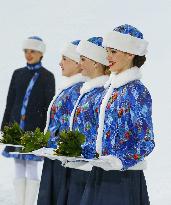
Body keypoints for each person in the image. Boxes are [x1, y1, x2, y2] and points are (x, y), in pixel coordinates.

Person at [80, 24, 155, 205]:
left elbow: (146, 141)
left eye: (113, 52)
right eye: (107, 51)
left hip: (122, 179)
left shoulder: (137, 91)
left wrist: (119, 161)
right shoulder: (107, 92)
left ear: (130, 53)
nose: (108, 57)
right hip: (99, 173)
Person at [1, 36, 55, 205]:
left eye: (32, 51)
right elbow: (10, 102)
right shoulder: (18, 74)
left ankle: (29, 203)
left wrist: (47, 132)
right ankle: (19, 202)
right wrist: (4, 126)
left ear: (41, 53)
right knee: (18, 164)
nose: (28, 54)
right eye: (26, 51)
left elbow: (48, 106)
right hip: (16, 127)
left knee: (31, 166)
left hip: (34, 128)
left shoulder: (47, 76)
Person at [37, 40, 87, 205]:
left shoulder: (78, 91)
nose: (60, 63)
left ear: (79, 63)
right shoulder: (69, 89)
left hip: (64, 161)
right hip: (54, 156)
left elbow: (72, 128)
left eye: (65, 59)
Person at [64, 36, 109, 205]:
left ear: (96, 62)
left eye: (83, 59)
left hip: (90, 169)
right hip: (80, 165)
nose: (79, 63)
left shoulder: (101, 93)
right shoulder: (88, 91)